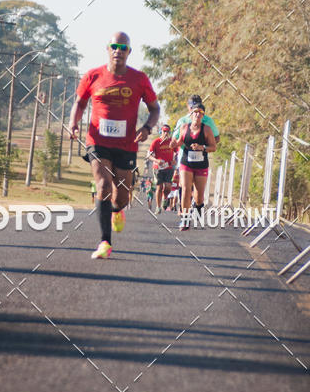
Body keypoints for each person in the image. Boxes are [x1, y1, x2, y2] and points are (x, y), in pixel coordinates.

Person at [68, 32, 160, 259]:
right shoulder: (93, 76)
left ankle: (117, 211)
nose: (118, 50)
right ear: (107, 49)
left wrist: (147, 128)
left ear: (129, 52)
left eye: (123, 47)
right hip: (97, 140)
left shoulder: (139, 79)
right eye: (114, 46)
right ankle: (104, 242)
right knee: (103, 185)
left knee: (122, 195)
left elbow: (155, 108)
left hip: (127, 143)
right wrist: (73, 123)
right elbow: (79, 103)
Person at [171, 102, 216, 230]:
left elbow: (213, 147)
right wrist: (174, 143)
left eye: (200, 113)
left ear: (203, 115)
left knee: (199, 197)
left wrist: (203, 147)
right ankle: (185, 220)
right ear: (191, 115)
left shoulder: (206, 129)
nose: (197, 114)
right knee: (185, 189)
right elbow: (179, 142)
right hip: (186, 163)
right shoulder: (184, 127)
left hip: (201, 165)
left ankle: (197, 209)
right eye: (195, 112)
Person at [146, 124, 175, 214]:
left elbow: (178, 152)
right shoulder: (156, 142)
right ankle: (158, 207)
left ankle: (165, 197)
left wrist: (175, 160)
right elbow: (149, 156)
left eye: (167, 131)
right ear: (160, 132)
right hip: (158, 168)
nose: (166, 133)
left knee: (168, 187)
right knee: (159, 187)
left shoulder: (172, 142)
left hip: (169, 167)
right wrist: (156, 160)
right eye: (164, 131)